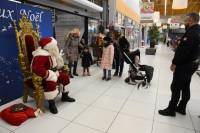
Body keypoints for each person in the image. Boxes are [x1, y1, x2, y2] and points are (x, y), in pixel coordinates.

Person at [158, 13, 200, 117]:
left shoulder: (191, 33)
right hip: (193, 64)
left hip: (184, 65)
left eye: (186, 20)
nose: (185, 22)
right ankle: (182, 107)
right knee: (185, 86)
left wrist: (174, 63)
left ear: (191, 19)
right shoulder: (198, 31)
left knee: (175, 87)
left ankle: (171, 110)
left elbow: (183, 52)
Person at [31, 37, 75, 114]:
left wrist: (59, 60)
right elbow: (37, 69)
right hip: (45, 77)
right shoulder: (41, 55)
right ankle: (52, 104)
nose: (56, 47)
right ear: (49, 46)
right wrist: (50, 75)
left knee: (65, 77)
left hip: (54, 73)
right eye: (54, 45)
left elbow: (54, 64)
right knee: (50, 84)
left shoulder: (50, 52)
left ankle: (65, 97)